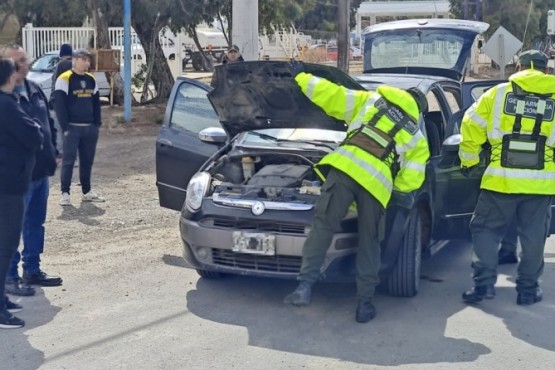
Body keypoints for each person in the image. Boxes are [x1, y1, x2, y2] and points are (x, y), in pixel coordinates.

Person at [283, 62, 430, 323]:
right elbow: (411, 180)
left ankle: (304, 287)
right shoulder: (417, 137)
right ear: (418, 110)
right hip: (376, 186)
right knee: (369, 241)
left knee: (323, 226)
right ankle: (364, 304)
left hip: (344, 169)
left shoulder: (372, 101)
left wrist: (302, 77)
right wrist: (392, 188)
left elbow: (332, 95)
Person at [459, 50, 555, 306]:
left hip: (499, 181)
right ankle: (527, 290)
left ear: (519, 67)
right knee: (534, 238)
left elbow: (470, 124)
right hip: (540, 183)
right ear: (546, 70)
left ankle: (483, 285)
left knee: (485, 230)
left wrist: (469, 161)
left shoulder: (497, 94)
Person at [2, 45, 62, 297]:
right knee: (11, 229)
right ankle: (10, 277)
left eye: (24, 60)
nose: (23, 65)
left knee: (35, 223)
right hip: (16, 177)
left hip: (39, 173)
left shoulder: (35, 88)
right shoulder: (4, 99)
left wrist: (55, 151)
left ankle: (32, 270)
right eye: (17, 62)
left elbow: (49, 122)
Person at [0, 57, 44, 328]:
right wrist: (37, 129)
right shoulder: (6, 105)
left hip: (7, 184)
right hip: (9, 187)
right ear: (10, 77)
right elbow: (34, 136)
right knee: (5, 248)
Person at [53, 49, 104, 206]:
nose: (87, 63)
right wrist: (65, 127)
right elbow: (59, 105)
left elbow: (96, 103)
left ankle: (87, 191)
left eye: (88, 60)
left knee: (87, 161)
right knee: (68, 161)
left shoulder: (91, 79)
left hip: (89, 128)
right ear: (74, 60)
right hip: (72, 128)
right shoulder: (64, 79)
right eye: (83, 59)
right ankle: (65, 193)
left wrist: (97, 124)